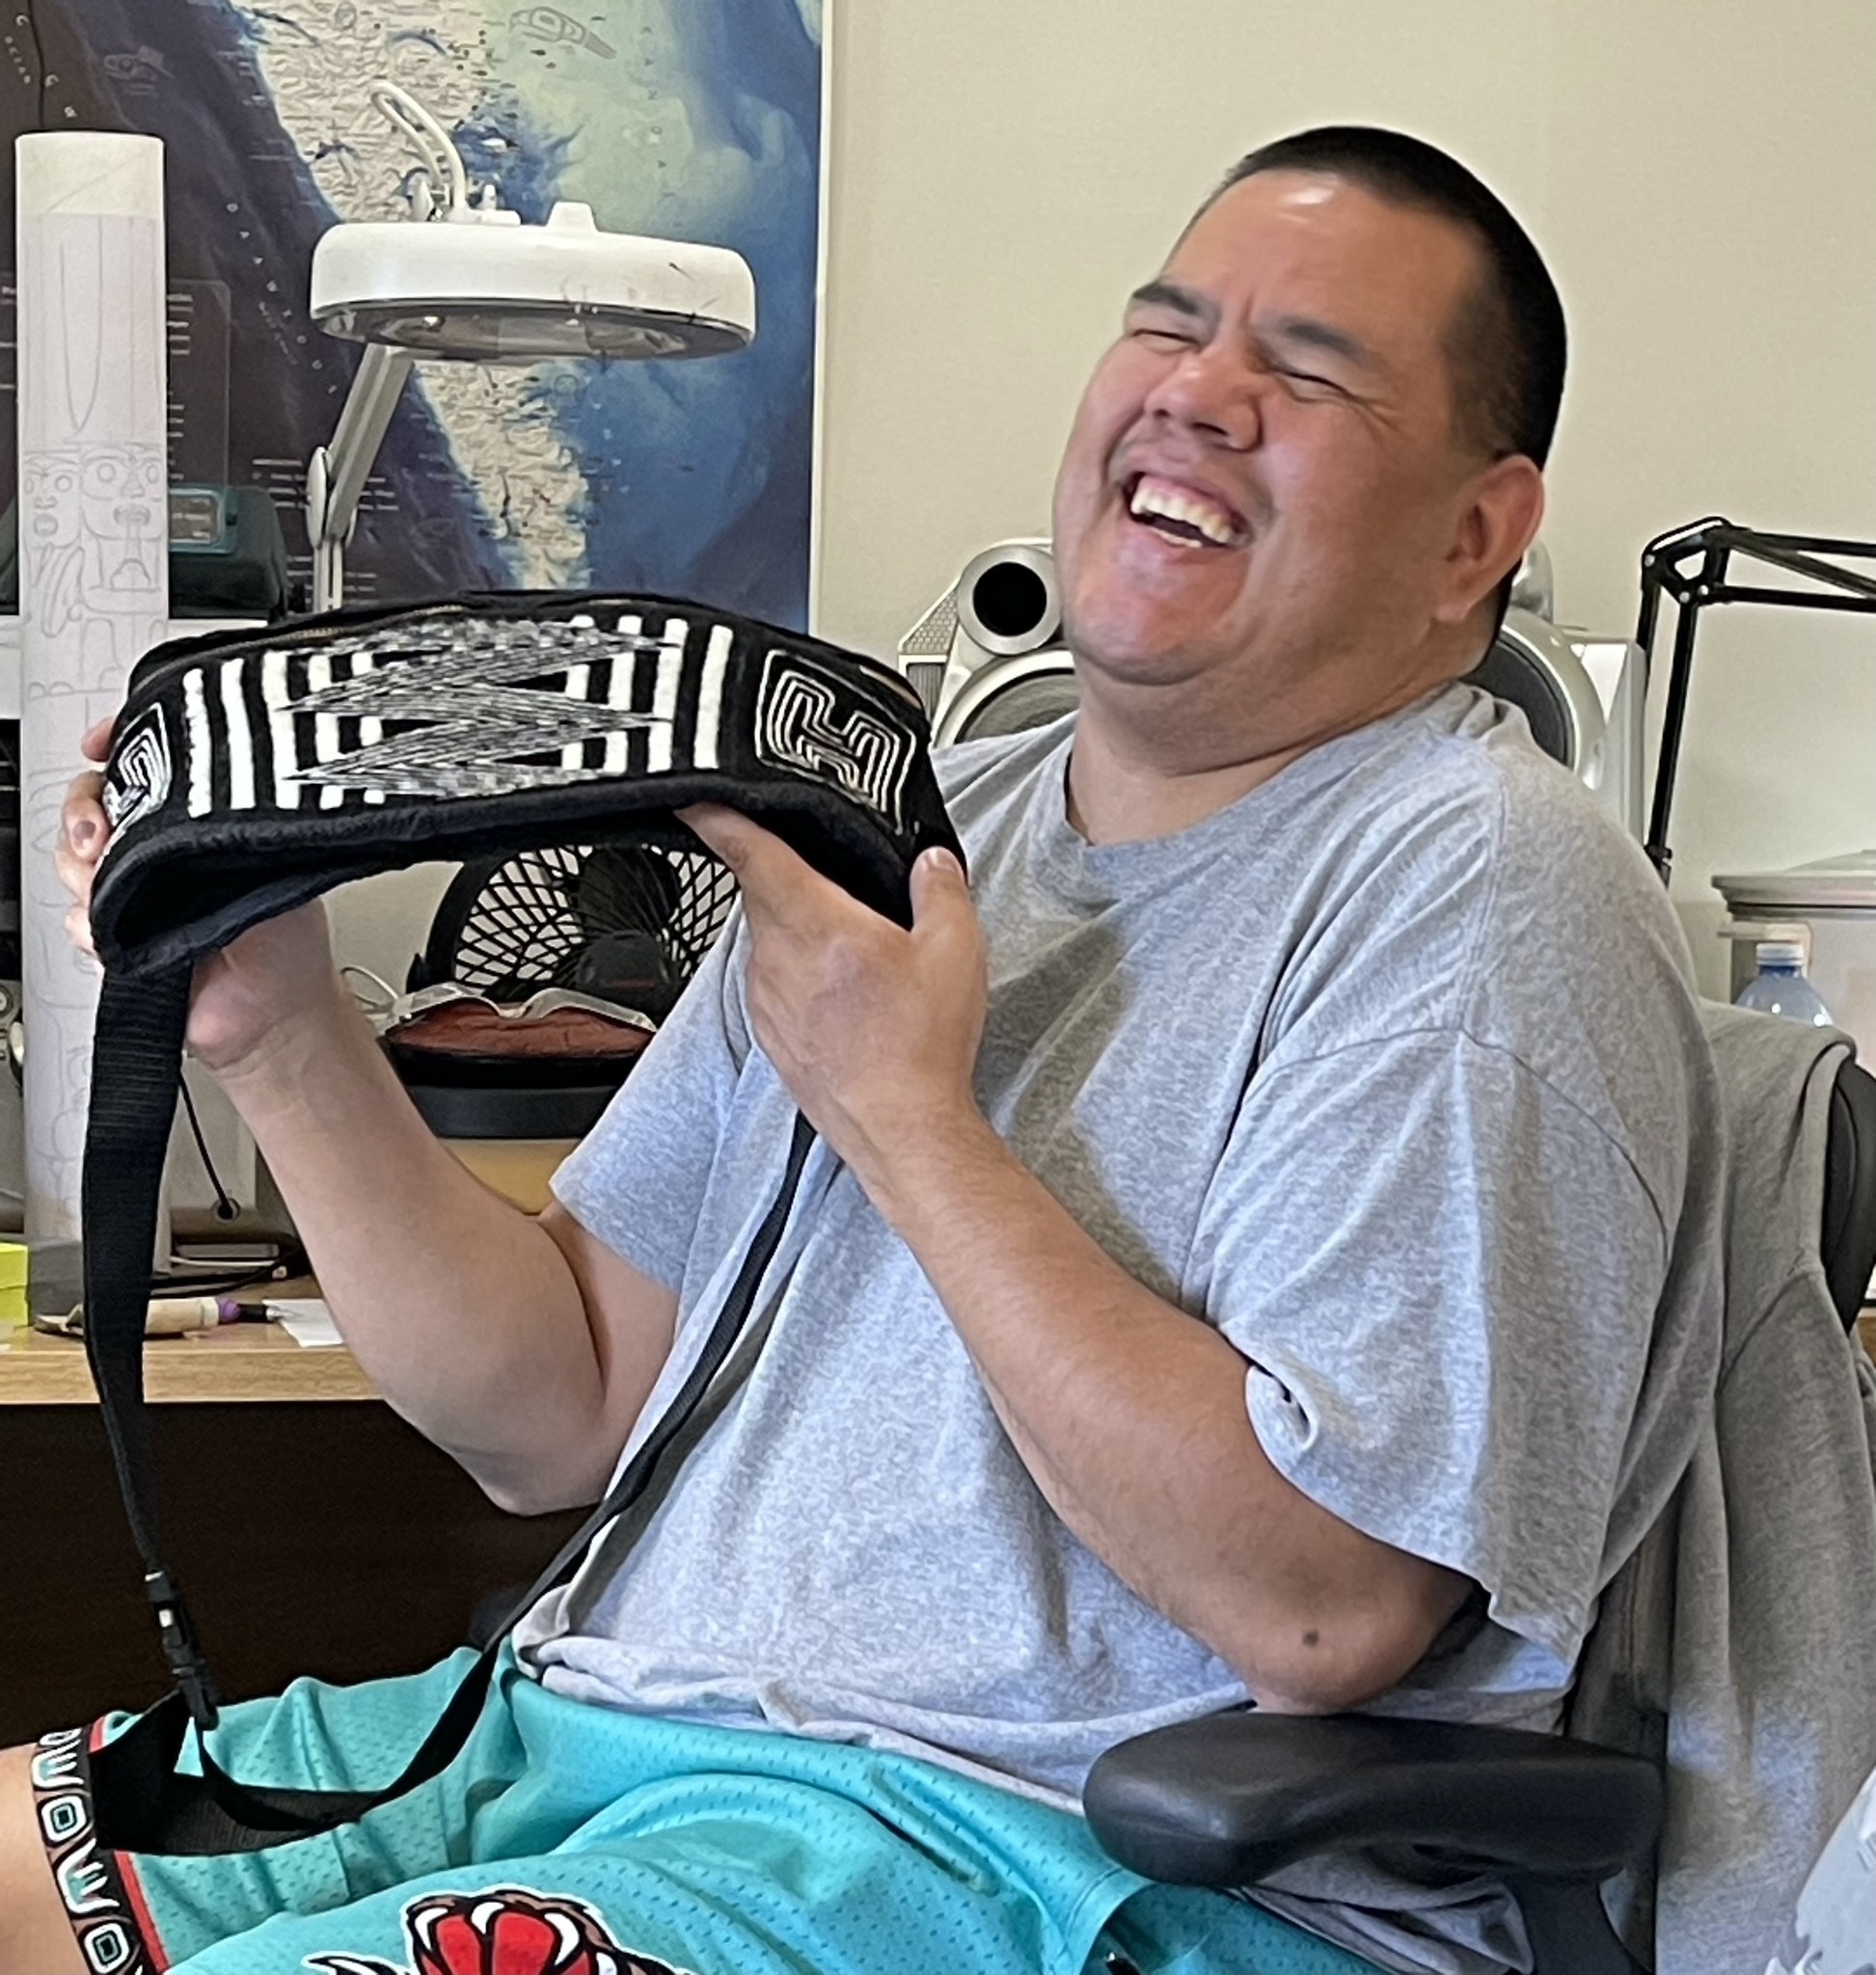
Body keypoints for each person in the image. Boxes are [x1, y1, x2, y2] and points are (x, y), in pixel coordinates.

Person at [0, 125, 1721, 1975]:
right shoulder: (910, 825)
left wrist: (907, 1114)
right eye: (1168, 329)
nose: (1196, 398)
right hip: (572, 1754)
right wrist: (274, 1030)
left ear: (1477, 534)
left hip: (1020, 1856)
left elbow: (1320, 1609)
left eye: (1305, 372)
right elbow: (558, 1408)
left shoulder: (1475, 886)